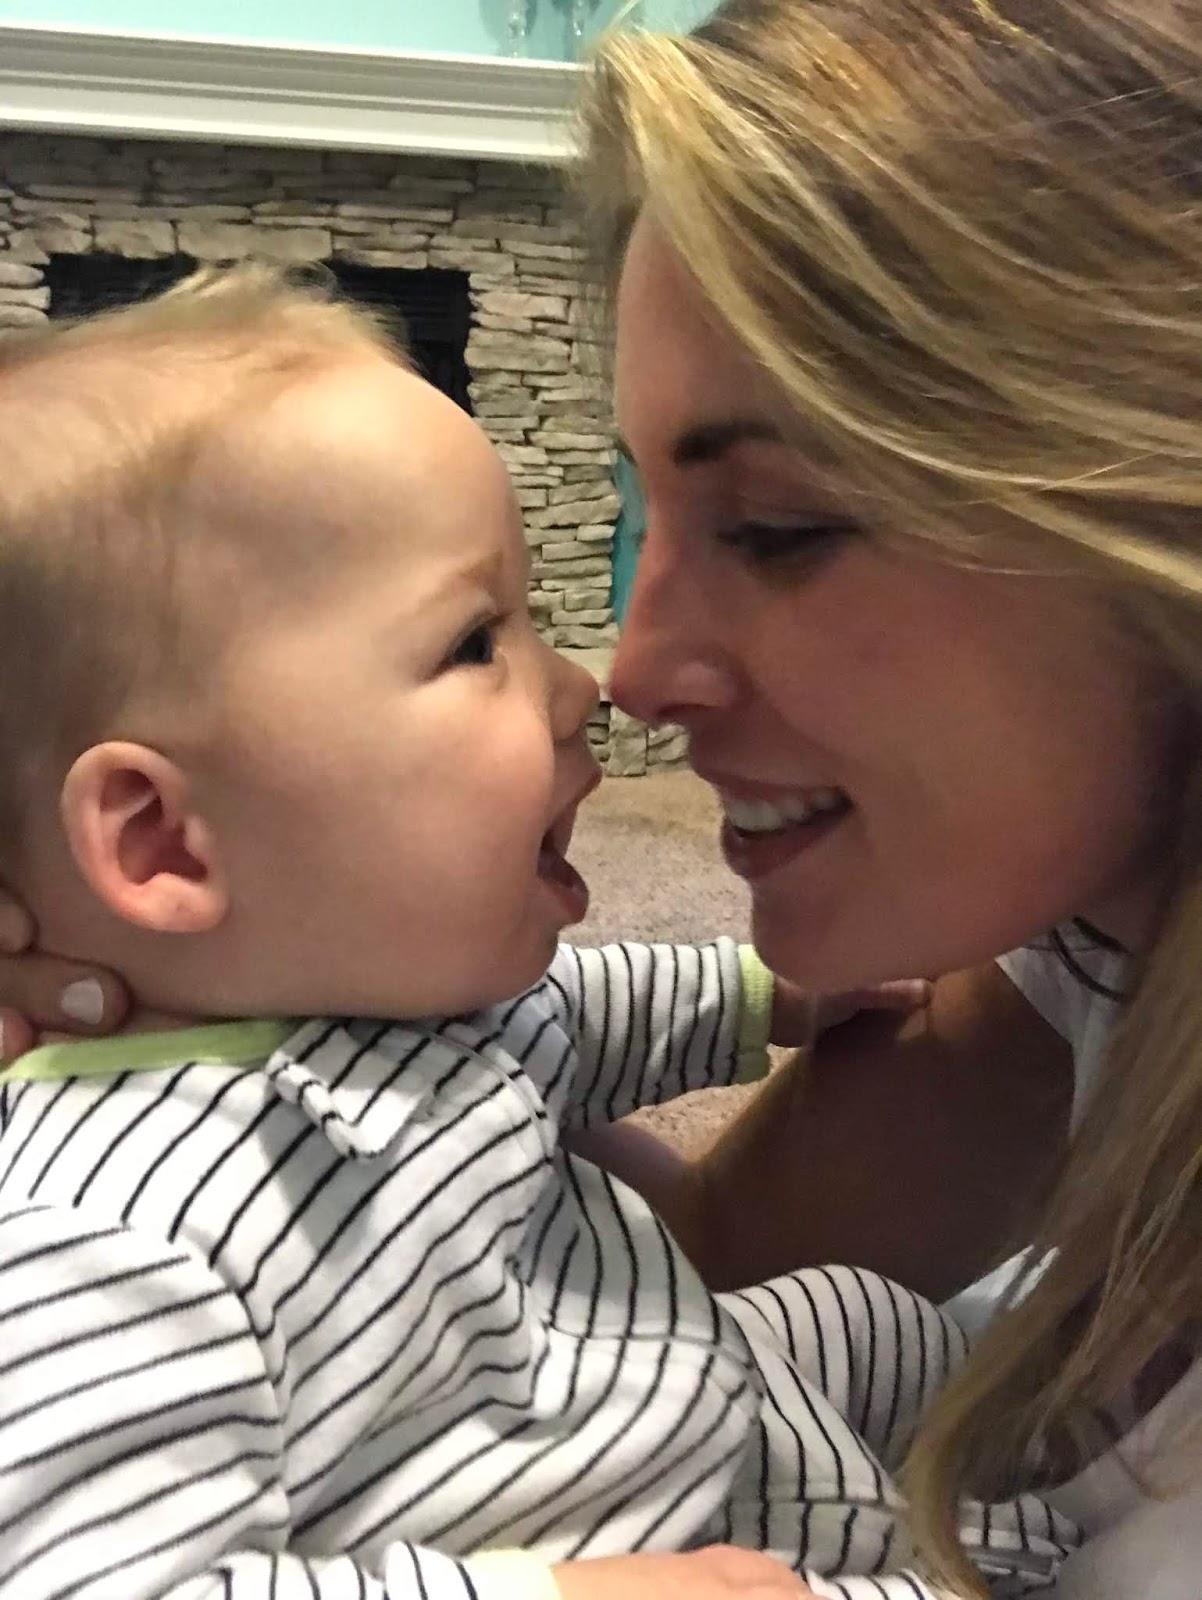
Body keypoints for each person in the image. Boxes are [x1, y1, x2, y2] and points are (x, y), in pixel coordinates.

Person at [1, 0, 1200, 1595]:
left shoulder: (456, 1020)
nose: (616, 676)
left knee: (856, 1335)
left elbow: (600, 1016)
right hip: (668, 1452)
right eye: (471, 641)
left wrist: (754, 999)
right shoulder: (116, 1226)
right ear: (159, 838)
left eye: (773, 526)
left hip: (719, 1418)